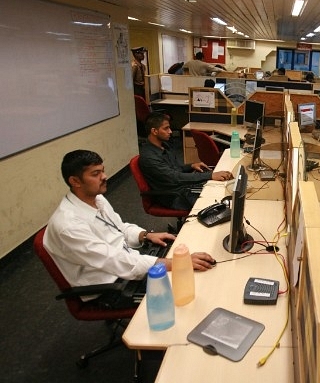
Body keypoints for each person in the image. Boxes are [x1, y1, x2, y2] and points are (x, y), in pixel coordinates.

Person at [43, 150, 216, 308]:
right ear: (75, 181)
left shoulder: (96, 199)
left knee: (191, 254)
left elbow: (120, 228)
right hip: (113, 286)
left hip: (128, 262)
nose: (105, 176)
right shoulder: (68, 225)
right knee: (191, 291)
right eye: (96, 174)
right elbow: (114, 261)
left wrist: (146, 235)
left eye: (103, 170)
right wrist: (174, 264)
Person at [139, 112, 233, 210]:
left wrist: (191, 166)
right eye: (166, 128)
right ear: (154, 131)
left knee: (221, 189)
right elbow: (174, 177)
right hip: (173, 196)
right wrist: (210, 175)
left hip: (182, 187)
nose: (170, 131)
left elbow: (175, 169)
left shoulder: (163, 146)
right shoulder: (149, 157)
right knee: (221, 206)